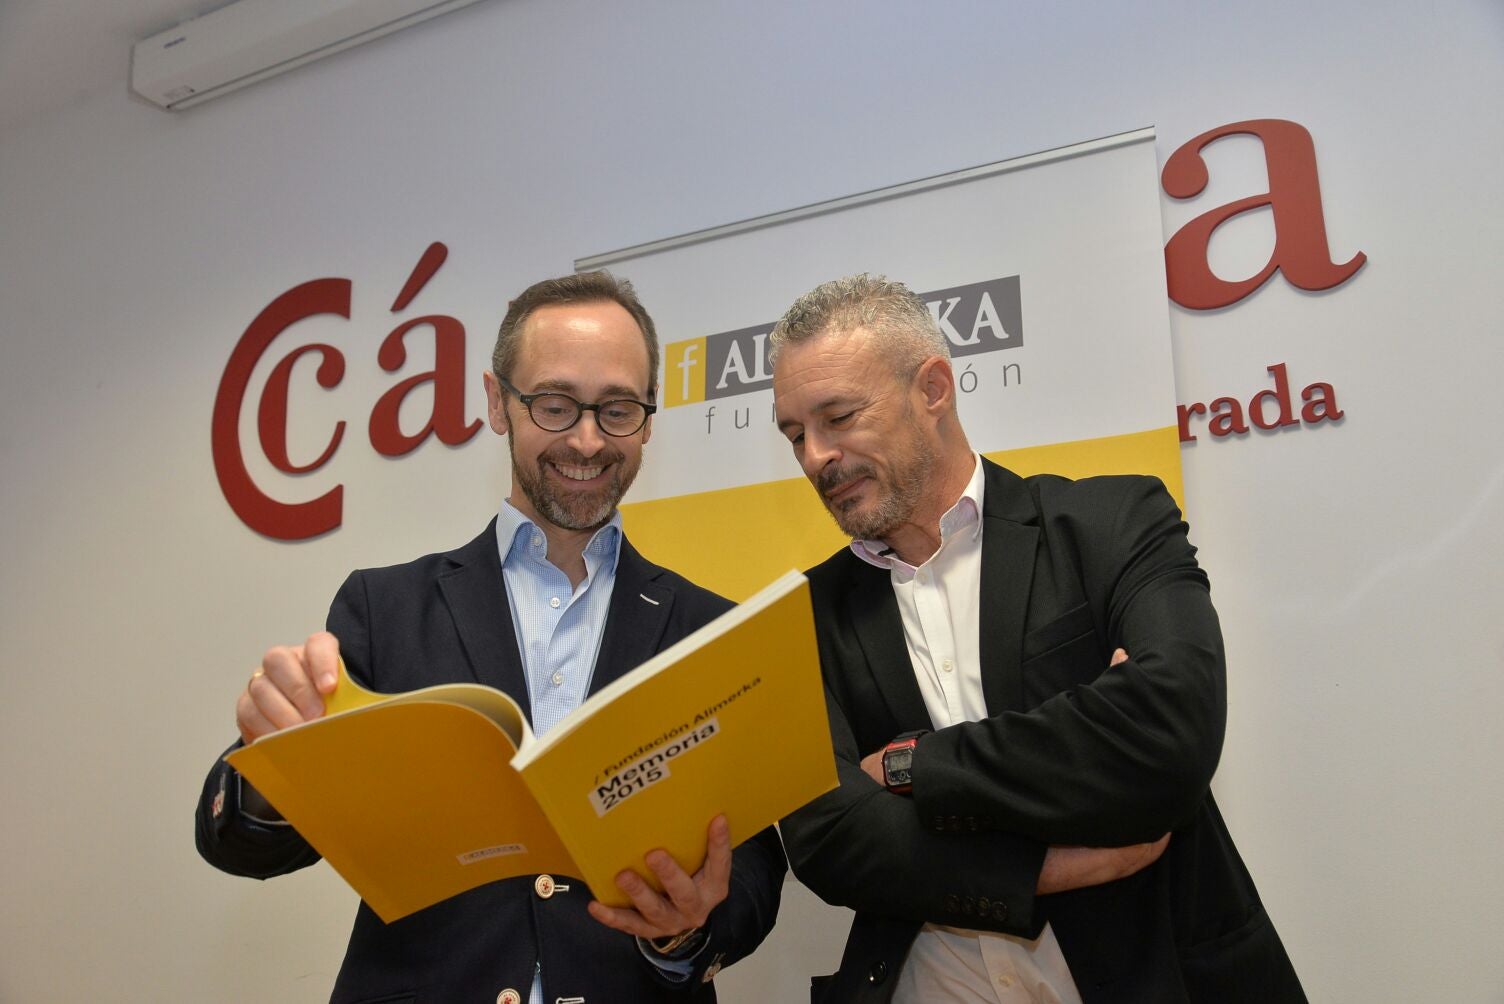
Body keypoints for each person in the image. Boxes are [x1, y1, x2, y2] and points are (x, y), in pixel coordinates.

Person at [196, 271, 785, 1004]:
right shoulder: (386, 608)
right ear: (497, 402)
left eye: (618, 410)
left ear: (648, 419)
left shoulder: (711, 630)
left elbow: (754, 872)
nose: (587, 440)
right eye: (555, 405)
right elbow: (245, 844)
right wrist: (270, 769)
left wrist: (686, 931)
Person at [771, 274, 1303, 1003]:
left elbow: (1170, 733)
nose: (814, 457)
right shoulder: (803, 615)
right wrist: (1042, 868)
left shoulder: (1111, 523)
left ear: (932, 389)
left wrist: (911, 766)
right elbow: (828, 839)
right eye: (795, 435)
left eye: (838, 417)